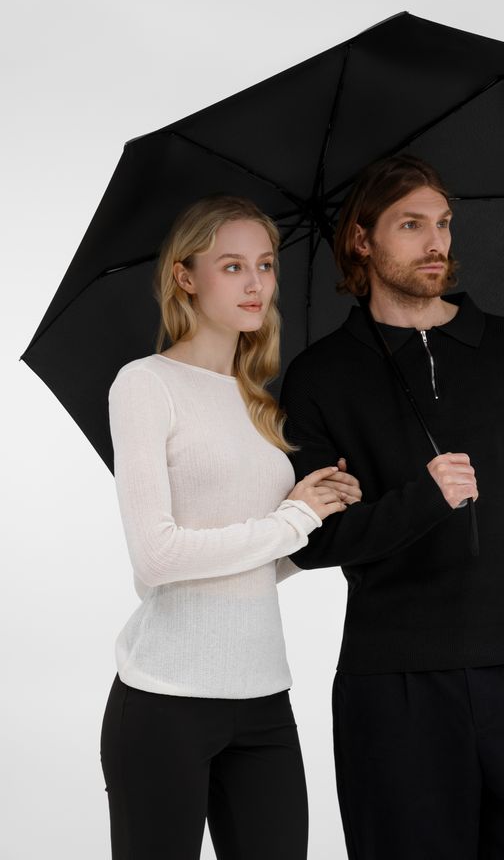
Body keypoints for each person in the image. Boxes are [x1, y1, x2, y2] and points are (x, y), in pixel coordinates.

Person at [279, 154, 504, 859]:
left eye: (443, 223)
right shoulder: (320, 376)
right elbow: (314, 541)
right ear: (362, 240)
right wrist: (423, 499)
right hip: (393, 685)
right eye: (411, 225)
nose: (436, 243)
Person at [100, 194, 362, 860]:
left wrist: (317, 519)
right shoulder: (145, 384)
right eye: (232, 266)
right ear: (185, 276)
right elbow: (157, 557)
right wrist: (293, 519)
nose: (256, 284)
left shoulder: (261, 404)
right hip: (165, 700)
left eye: (266, 265)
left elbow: (256, 566)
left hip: (264, 698)